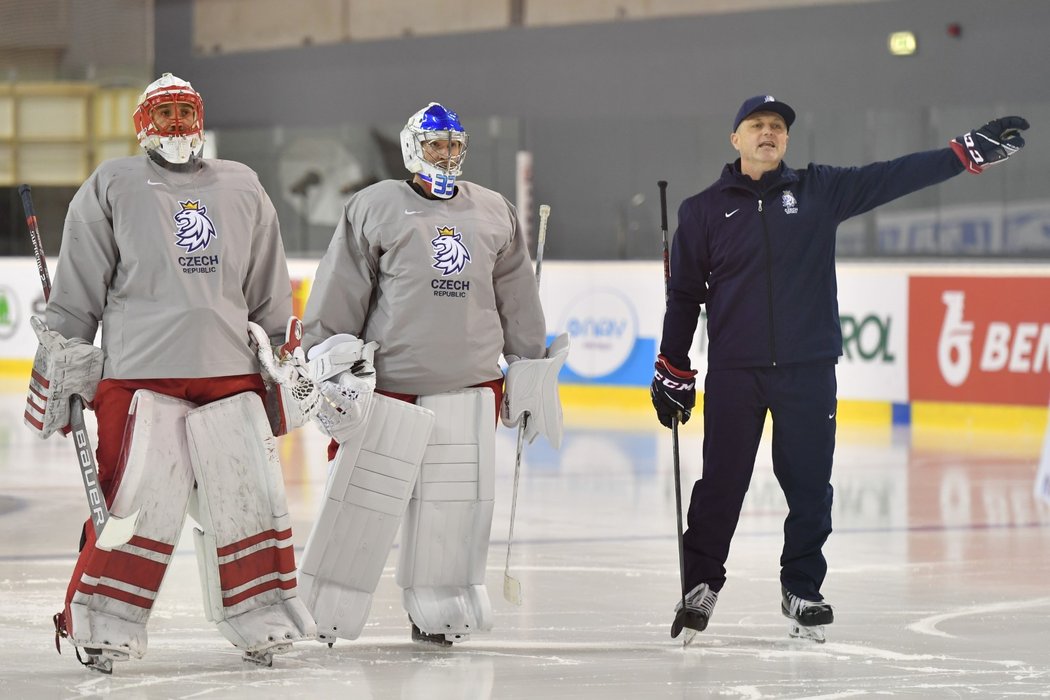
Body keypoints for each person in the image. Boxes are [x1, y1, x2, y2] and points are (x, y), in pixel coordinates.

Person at [650, 94, 1029, 642]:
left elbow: (892, 176)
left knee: (809, 487)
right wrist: (672, 367)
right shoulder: (703, 209)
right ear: (735, 139)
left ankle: (801, 587)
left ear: (787, 139)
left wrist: (962, 154)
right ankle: (701, 584)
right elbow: (683, 295)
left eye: (777, 127)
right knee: (720, 486)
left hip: (808, 367)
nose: (768, 133)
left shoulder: (818, 190)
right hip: (736, 370)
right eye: (756, 125)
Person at [24, 73, 317, 672]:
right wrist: (65, 371)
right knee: (134, 504)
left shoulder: (242, 185)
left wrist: (281, 360)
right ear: (142, 124)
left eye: (187, 111)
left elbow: (266, 287)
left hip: (229, 373)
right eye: (166, 113)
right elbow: (78, 294)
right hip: (138, 377)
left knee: (249, 501)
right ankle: (103, 624)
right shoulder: (111, 184)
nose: (179, 124)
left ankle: (263, 615)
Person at [296, 102, 568, 647]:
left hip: (468, 387)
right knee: (362, 502)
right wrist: (327, 358)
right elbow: (341, 289)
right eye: (434, 145)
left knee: (453, 507)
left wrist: (529, 366)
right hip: (390, 389)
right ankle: (328, 603)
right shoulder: (373, 207)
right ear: (410, 149)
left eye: (452, 145)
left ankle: (439, 602)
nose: (445, 155)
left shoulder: (494, 211)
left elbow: (517, 298)